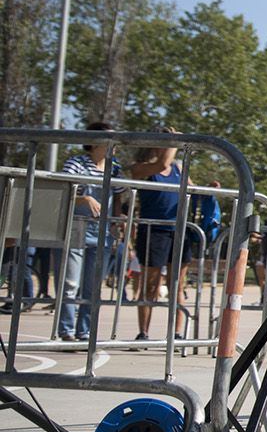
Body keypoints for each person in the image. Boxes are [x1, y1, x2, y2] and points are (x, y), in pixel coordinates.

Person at [59, 123, 125, 342]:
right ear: (95, 141)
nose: (114, 144)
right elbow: (63, 190)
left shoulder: (114, 168)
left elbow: (119, 194)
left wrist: (117, 219)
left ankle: (84, 330)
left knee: (93, 285)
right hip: (77, 227)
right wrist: (84, 198)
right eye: (109, 139)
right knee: (71, 283)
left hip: (102, 231)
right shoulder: (76, 163)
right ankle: (66, 329)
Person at [128, 130, 196, 342]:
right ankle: (144, 333)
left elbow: (192, 189)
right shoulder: (141, 168)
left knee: (178, 284)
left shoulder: (178, 168)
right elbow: (160, 166)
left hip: (178, 230)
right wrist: (175, 143)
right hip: (153, 231)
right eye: (166, 143)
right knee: (151, 285)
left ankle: (176, 334)